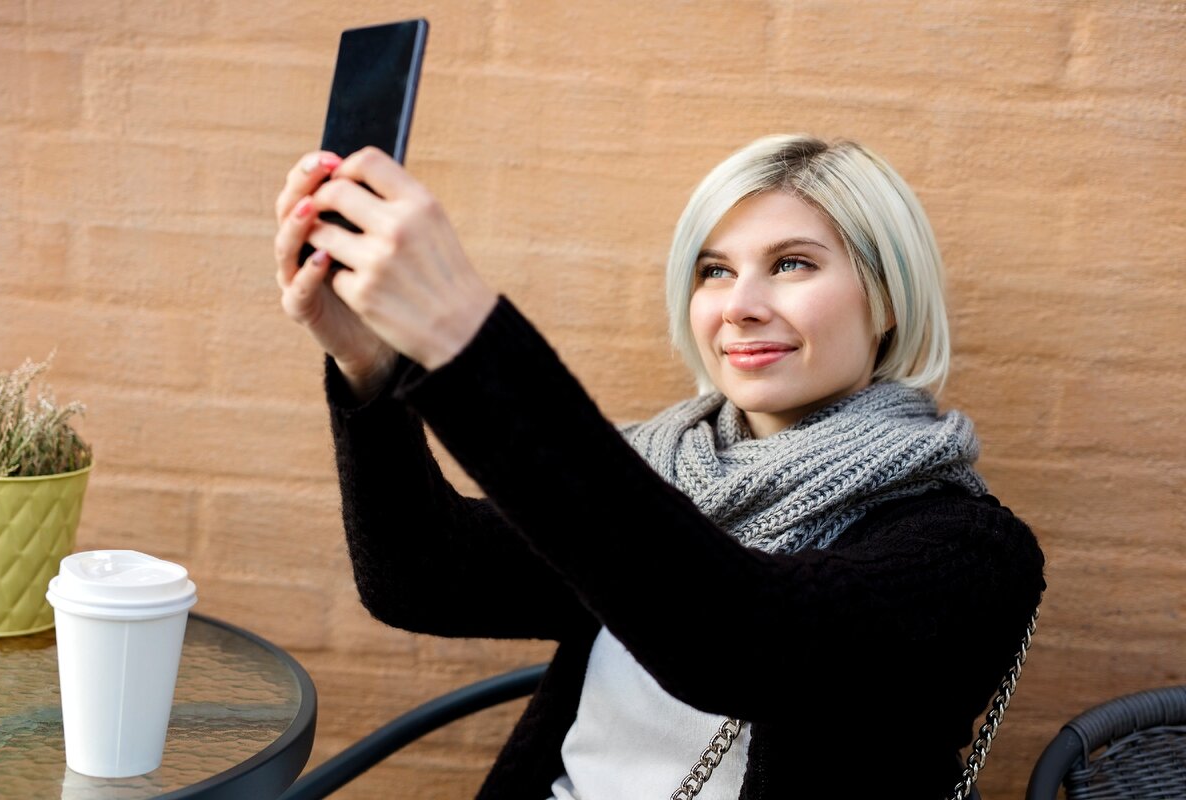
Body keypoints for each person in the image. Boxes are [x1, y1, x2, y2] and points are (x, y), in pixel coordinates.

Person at [273, 134, 1045, 800]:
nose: (740, 305)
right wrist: (370, 363)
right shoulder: (657, 474)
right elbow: (422, 573)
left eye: (792, 265)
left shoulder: (969, 552)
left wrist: (467, 337)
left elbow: (738, 636)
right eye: (714, 270)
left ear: (888, 300)